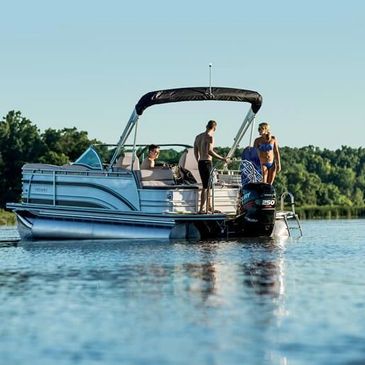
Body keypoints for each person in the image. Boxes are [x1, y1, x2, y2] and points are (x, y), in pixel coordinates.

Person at [194, 120, 227, 213]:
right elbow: (210, 151)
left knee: (208, 186)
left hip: (201, 162)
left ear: (206, 126)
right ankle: (202, 209)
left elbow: (195, 151)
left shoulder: (198, 137)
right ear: (215, 128)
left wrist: (198, 161)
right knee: (206, 187)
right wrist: (222, 158)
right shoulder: (210, 137)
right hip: (207, 162)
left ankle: (209, 207)